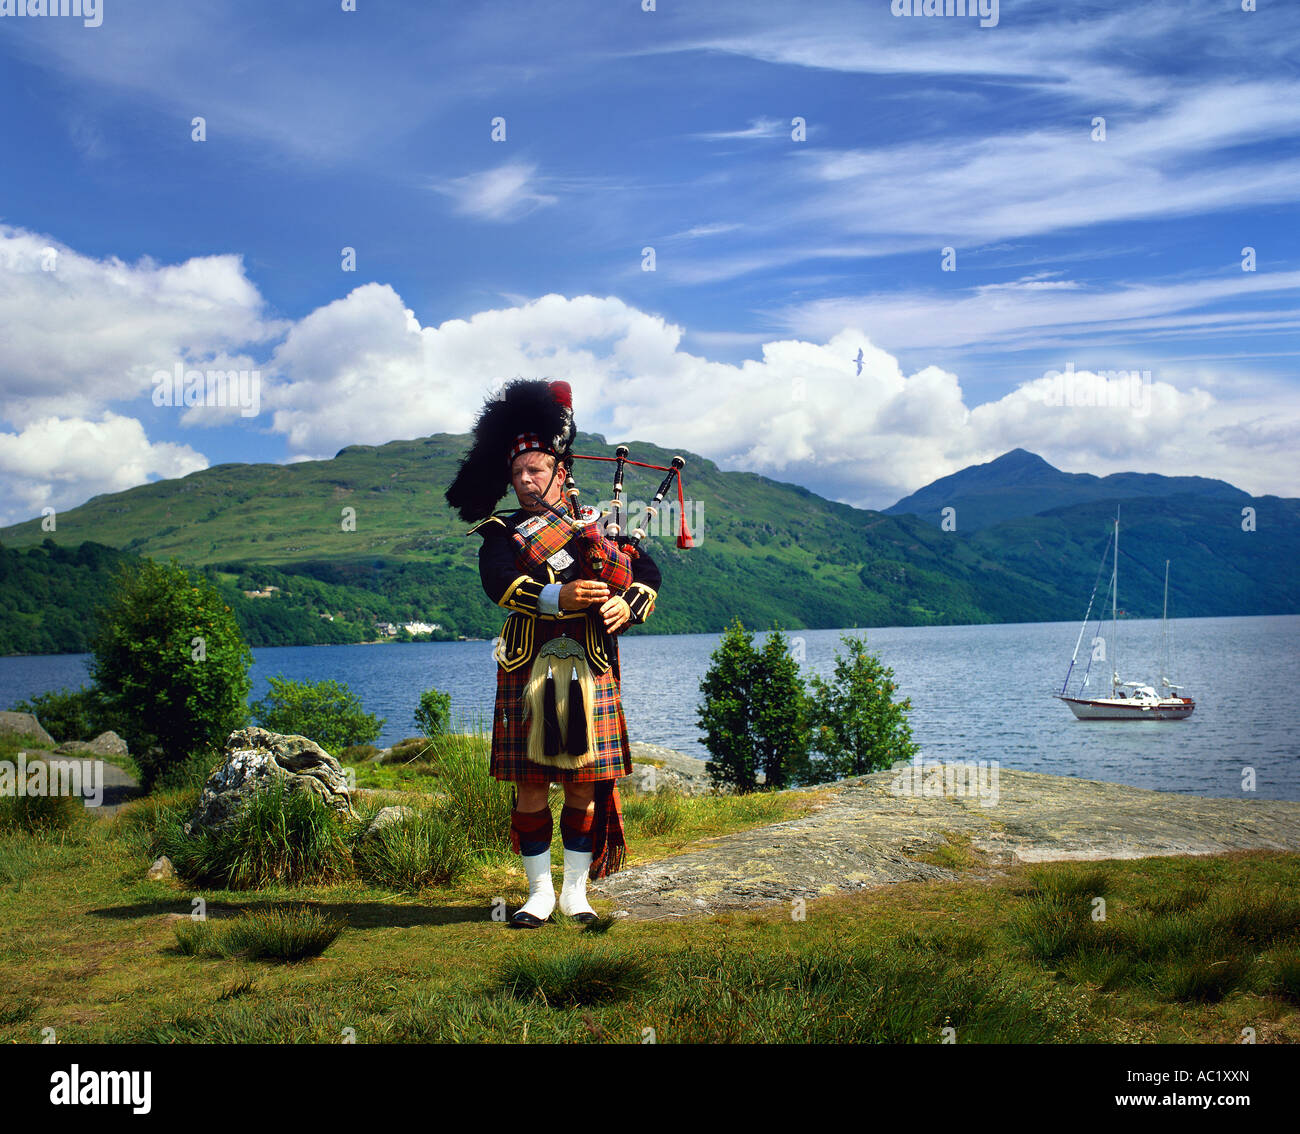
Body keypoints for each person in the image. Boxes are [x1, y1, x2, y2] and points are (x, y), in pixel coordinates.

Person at [445, 379, 661, 927]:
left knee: (584, 783)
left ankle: (576, 894)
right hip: (529, 667)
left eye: (535, 470)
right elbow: (498, 583)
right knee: (532, 783)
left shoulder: (600, 525)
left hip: (590, 664)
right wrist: (555, 595)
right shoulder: (503, 532)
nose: (523, 480)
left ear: (560, 472)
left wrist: (629, 604)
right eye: (517, 473)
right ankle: (538, 894)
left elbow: (646, 571)